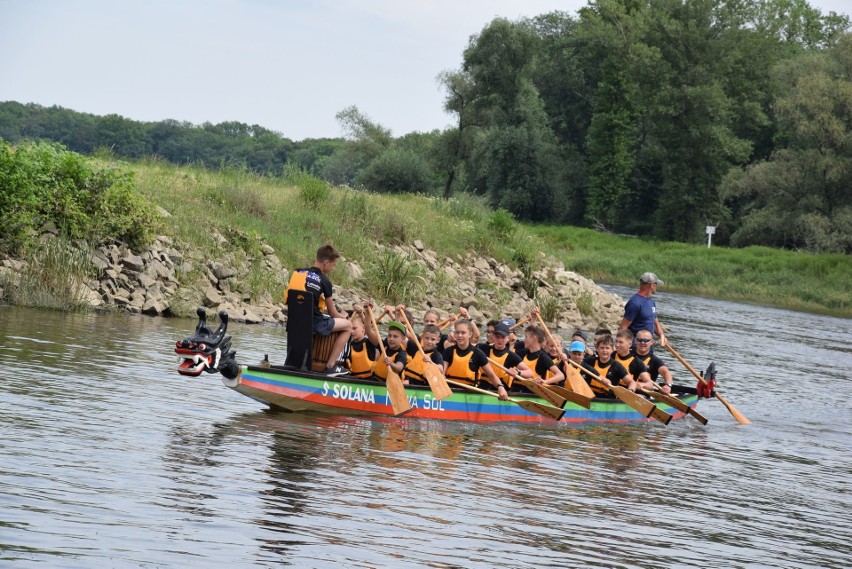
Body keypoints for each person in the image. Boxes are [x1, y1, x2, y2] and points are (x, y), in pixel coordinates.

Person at [289, 244, 352, 374]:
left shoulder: (298, 272)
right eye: (333, 265)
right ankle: (330, 365)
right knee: (348, 326)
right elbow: (332, 313)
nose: (333, 268)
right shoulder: (324, 281)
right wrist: (344, 317)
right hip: (314, 324)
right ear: (326, 263)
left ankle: (294, 362)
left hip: (294, 321)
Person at [443, 319, 509, 400]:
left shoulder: (478, 353)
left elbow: (492, 375)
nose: (460, 335)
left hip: (469, 393)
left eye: (463, 333)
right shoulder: (449, 351)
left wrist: (500, 387)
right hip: (450, 391)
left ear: (470, 334)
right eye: (457, 332)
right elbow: (442, 373)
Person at [479, 321, 532, 390]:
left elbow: (530, 372)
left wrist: (517, 372)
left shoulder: (511, 356)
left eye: (503, 337)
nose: (500, 340)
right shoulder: (484, 349)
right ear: (493, 337)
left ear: (507, 339)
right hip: (482, 388)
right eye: (497, 337)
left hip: (501, 391)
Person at [620, 272, 667, 347]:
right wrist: (624, 346)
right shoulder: (635, 303)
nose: (656, 287)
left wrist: (662, 335)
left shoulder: (651, 301)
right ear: (652, 285)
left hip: (648, 348)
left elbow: (655, 323)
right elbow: (623, 328)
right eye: (656, 284)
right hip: (636, 349)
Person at [514, 325, 564, 390]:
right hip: (516, 390)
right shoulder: (521, 353)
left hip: (532, 392)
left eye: (526, 337)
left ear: (534, 339)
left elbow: (560, 375)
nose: (524, 340)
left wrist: (545, 381)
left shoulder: (543, 357)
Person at [633, 329, 675, 394]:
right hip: (625, 389)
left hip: (643, 394)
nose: (642, 343)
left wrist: (668, 385)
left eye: (646, 341)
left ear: (651, 342)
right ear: (635, 341)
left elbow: (666, 372)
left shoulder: (655, 360)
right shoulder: (627, 354)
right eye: (640, 340)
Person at [345, 312, 378, 379]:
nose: (351, 331)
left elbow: (369, 329)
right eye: (350, 329)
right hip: (353, 378)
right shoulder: (348, 344)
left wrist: (361, 313)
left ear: (363, 329)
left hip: (370, 378)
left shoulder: (370, 342)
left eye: (354, 328)